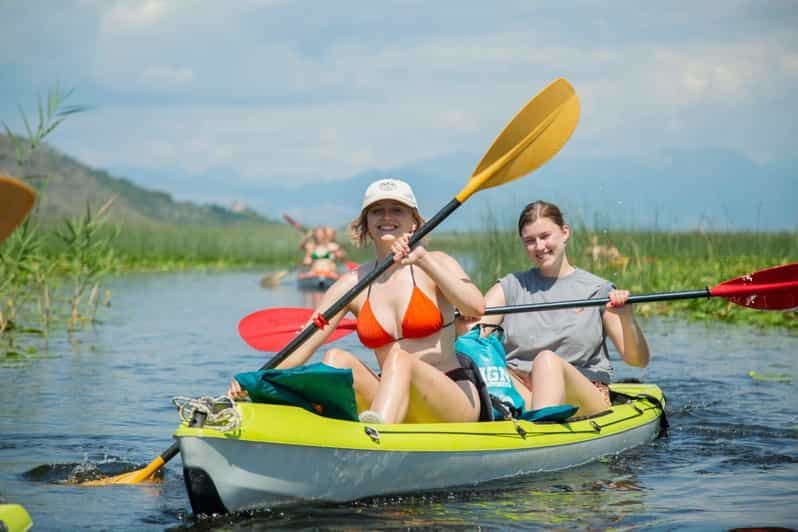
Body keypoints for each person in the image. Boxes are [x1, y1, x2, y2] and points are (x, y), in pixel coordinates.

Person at [229, 178, 486, 424]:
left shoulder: (437, 262)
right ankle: (327, 430)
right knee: (336, 358)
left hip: (451, 394)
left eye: (397, 210)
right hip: (391, 395)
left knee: (400, 358)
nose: (387, 217)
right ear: (366, 224)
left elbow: (475, 307)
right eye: (377, 211)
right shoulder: (351, 284)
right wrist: (255, 381)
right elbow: (303, 344)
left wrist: (423, 260)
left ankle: (373, 437)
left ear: (414, 223)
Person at [474, 200, 650, 418]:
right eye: (530, 241)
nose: (539, 247)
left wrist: (626, 317)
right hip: (521, 388)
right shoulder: (510, 287)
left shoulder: (598, 290)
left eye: (545, 236)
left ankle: (540, 436)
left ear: (564, 232)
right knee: (480, 368)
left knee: (546, 361)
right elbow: (473, 334)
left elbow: (638, 361)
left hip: (582, 391)